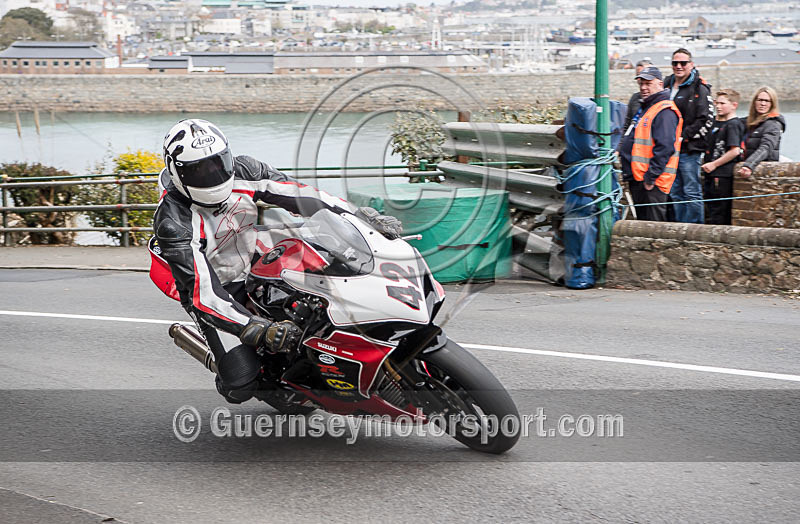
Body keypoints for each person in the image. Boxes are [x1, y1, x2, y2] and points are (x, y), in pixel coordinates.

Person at [152, 119, 402, 403]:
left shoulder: (246, 170)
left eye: (217, 164)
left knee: (327, 289)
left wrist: (359, 216)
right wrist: (255, 327)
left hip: (256, 258)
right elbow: (203, 293)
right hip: (217, 287)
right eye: (198, 170)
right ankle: (218, 355)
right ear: (177, 172)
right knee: (239, 383)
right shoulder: (173, 221)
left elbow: (302, 195)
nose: (212, 175)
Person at [619, 66, 683, 222]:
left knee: (653, 226)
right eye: (641, 84)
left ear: (660, 84)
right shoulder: (648, 107)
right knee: (644, 224)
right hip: (641, 178)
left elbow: (666, 147)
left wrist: (650, 178)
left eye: (648, 83)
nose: (643, 88)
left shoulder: (664, 110)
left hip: (651, 182)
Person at [663, 48, 714, 224]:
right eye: (675, 63)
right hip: (669, 149)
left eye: (683, 63)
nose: (679, 66)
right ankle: (680, 227)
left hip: (689, 149)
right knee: (675, 191)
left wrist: (683, 137)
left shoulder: (700, 88)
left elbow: (706, 119)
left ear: (691, 65)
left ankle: (693, 229)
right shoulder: (666, 84)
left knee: (691, 191)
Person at [701, 89, 745, 225]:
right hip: (710, 173)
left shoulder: (733, 125)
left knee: (720, 212)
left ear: (734, 105)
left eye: (722, 103)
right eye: (716, 103)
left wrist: (714, 164)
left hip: (722, 175)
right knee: (711, 209)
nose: (718, 106)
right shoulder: (716, 123)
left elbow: (734, 150)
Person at [738, 86, 786, 178]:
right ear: (754, 102)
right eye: (760, 100)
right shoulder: (746, 122)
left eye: (767, 101)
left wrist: (749, 165)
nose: (763, 103)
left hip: (763, 174)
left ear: (772, 104)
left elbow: (766, 147)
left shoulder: (774, 124)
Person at [623, 59, 652, 132]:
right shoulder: (635, 98)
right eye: (639, 75)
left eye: (645, 75)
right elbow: (627, 124)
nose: (641, 79)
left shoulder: (663, 99)